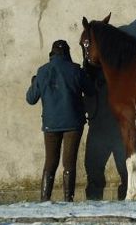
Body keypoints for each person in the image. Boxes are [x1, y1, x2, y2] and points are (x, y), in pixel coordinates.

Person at [26, 39, 96, 202]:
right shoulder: (75, 70)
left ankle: (45, 199)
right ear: (67, 53)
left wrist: (34, 82)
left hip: (50, 124)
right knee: (69, 163)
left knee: (50, 162)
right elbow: (91, 91)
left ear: (52, 53)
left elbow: (31, 99)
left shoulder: (43, 71)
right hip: (73, 123)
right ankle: (68, 199)